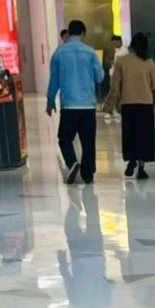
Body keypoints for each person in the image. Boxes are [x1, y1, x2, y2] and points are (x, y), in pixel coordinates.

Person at [46, 19, 104, 185]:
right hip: (88, 105)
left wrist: (50, 101)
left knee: (64, 138)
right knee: (88, 141)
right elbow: (100, 77)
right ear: (83, 33)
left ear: (69, 33)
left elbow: (54, 81)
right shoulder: (91, 53)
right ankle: (88, 174)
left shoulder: (59, 53)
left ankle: (72, 163)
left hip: (69, 105)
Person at [112, 31, 155, 179]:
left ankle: (131, 159)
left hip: (128, 103)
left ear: (132, 45)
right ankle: (142, 168)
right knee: (144, 136)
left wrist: (116, 99)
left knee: (130, 134)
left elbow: (115, 83)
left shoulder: (121, 61)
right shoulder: (149, 62)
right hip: (145, 105)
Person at [103, 34, 128, 122]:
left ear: (119, 41)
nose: (113, 45)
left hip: (118, 75)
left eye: (114, 43)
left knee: (114, 92)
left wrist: (112, 62)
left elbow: (120, 63)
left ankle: (109, 109)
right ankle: (115, 109)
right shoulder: (118, 50)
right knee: (115, 92)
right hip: (114, 73)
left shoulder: (124, 51)